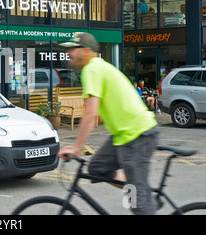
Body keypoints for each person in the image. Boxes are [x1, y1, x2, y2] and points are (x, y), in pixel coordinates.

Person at [57, 32, 160, 215]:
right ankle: (141, 190)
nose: (69, 52)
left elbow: (91, 114)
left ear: (86, 51)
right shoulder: (95, 67)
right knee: (98, 167)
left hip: (137, 134)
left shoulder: (92, 69)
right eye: (68, 48)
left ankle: (142, 196)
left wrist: (76, 147)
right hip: (123, 135)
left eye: (73, 48)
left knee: (137, 203)